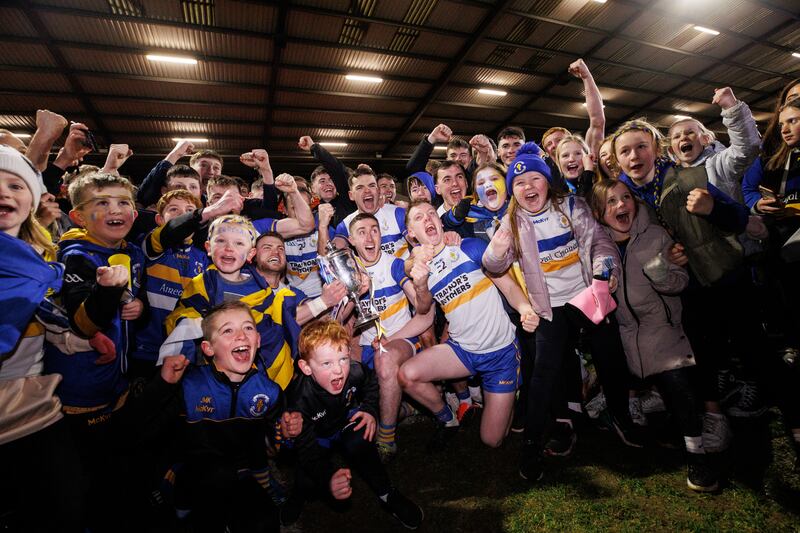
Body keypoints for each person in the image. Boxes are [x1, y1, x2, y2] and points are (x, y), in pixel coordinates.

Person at [483, 142, 641, 482]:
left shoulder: (571, 207)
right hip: (550, 308)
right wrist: (498, 240)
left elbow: (600, 242)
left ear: (546, 181)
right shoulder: (512, 224)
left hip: (586, 297)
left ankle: (621, 418)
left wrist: (603, 273)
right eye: (519, 184)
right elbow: (492, 265)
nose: (528, 188)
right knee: (543, 374)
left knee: (610, 357)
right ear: (512, 190)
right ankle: (531, 445)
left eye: (534, 180)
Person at [611, 118, 749, 452]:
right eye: (625, 151)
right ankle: (686, 415)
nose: (634, 156)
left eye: (641, 146)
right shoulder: (621, 194)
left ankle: (715, 417)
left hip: (706, 283)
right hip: (656, 292)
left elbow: (739, 218)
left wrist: (713, 207)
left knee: (711, 349)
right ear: (617, 160)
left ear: (656, 149)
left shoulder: (687, 177)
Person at [591, 179, 717, 492]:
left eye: (626, 198)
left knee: (677, 385)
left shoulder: (657, 236)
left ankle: (697, 454)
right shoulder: (597, 244)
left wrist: (658, 268)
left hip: (660, 327)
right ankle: (634, 423)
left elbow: (678, 283)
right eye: (611, 202)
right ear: (598, 212)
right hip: (624, 332)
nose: (621, 206)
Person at [133, 301, 301, 532]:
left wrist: (289, 432)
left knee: (265, 522)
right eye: (228, 330)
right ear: (208, 348)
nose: (241, 336)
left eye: (248, 328)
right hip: (191, 471)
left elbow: (276, 447)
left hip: (240, 471)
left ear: (258, 341)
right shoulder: (189, 385)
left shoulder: (269, 392)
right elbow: (138, 430)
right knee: (214, 484)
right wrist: (160, 386)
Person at [43, 171, 146, 528]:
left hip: (116, 379)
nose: (115, 209)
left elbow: (130, 301)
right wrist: (107, 294)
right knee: (87, 473)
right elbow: (83, 325)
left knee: (115, 464)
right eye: (101, 203)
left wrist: (137, 306)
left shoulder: (129, 251)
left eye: (123, 202)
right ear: (79, 217)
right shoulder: (77, 257)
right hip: (81, 386)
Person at [397, 200, 537, 451]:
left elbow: (507, 285)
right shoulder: (419, 269)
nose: (428, 219)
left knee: (492, 439)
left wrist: (525, 309)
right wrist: (419, 281)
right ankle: (447, 417)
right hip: (462, 350)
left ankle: (508, 397)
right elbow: (423, 309)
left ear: (440, 221)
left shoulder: (469, 247)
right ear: (411, 234)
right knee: (407, 375)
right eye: (419, 218)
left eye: (431, 213)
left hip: (500, 353)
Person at [0, 145, 86, 532]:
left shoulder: (41, 264)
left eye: (16, 185)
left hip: (31, 403)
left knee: (61, 505)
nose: (4, 193)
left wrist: (90, 339)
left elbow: (55, 325)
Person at [281, 319, 423, 530]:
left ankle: (387, 494)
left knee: (360, 436)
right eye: (326, 363)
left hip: (344, 423)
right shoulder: (299, 400)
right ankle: (298, 495)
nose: (338, 370)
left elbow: (372, 383)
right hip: (317, 437)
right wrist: (329, 478)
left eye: (343, 359)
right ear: (306, 367)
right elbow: (307, 450)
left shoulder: (354, 371)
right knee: (308, 481)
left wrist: (369, 410)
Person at [160, 215, 299, 390]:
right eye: (221, 241)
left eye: (238, 243)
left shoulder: (263, 292)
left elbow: (272, 334)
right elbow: (183, 321)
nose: (228, 248)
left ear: (250, 254)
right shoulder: (199, 285)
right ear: (208, 248)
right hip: (209, 377)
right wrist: (182, 355)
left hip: (254, 377)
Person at [347, 213, 433, 459]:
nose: (369, 236)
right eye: (361, 232)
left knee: (384, 361)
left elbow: (421, 305)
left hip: (400, 342)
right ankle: (406, 409)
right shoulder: (347, 268)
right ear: (352, 240)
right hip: (364, 347)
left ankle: (386, 439)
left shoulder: (393, 264)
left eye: (374, 230)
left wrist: (421, 285)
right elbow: (341, 320)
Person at [130, 189, 241, 380]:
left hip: (185, 354)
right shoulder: (150, 246)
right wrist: (207, 212)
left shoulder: (203, 258)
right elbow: (171, 231)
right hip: (145, 351)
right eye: (174, 210)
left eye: (189, 209)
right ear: (159, 219)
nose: (182, 214)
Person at [331, 164, 410, 258]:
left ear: (378, 191)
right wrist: (323, 226)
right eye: (360, 187)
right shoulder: (346, 224)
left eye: (371, 185)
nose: (367, 191)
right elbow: (332, 255)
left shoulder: (397, 213)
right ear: (351, 195)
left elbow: (418, 245)